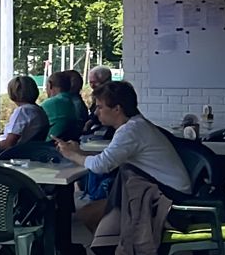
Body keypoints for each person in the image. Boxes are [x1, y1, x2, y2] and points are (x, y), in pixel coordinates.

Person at [54, 80, 189, 230]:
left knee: (89, 215)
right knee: (94, 213)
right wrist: (79, 153)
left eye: (100, 107)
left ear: (117, 109)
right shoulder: (136, 125)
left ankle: (117, 245)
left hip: (170, 199)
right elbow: (110, 157)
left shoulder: (130, 130)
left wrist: (71, 155)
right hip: (167, 191)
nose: (96, 112)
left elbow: (101, 166)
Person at [0, 75, 57, 162]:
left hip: (12, 157)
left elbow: (8, 144)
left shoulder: (23, 111)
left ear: (12, 93)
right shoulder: (38, 111)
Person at [42, 70, 86, 144]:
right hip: (71, 143)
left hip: (50, 145)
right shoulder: (77, 102)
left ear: (50, 85)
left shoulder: (51, 103)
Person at [80, 66, 116, 138]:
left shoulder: (111, 95)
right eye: (90, 83)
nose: (92, 86)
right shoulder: (97, 94)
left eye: (95, 82)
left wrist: (90, 122)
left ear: (106, 81)